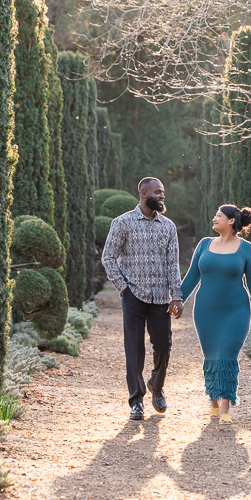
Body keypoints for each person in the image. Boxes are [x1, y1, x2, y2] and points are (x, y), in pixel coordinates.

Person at [181, 204, 251, 425]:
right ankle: (213, 401)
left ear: (231, 221)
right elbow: (191, 277)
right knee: (211, 356)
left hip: (235, 311)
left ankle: (225, 408)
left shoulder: (247, 249)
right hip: (205, 311)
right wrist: (177, 301)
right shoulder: (204, 244)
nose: (214, 218)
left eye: (218, 216)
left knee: (227, 355)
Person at [101, 177, 184, 421]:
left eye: (163, 192)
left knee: (163, 345)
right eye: (157, 192)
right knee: (134, 349)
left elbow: (172, 264)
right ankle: (136, 401)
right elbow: (108, 257)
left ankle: (156, 386)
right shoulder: (122, 223)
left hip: (160, 297)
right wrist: (123, 288)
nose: (162, 196)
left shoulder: (168, 226)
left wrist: (176, 296)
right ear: (143, 193)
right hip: (133, 296)